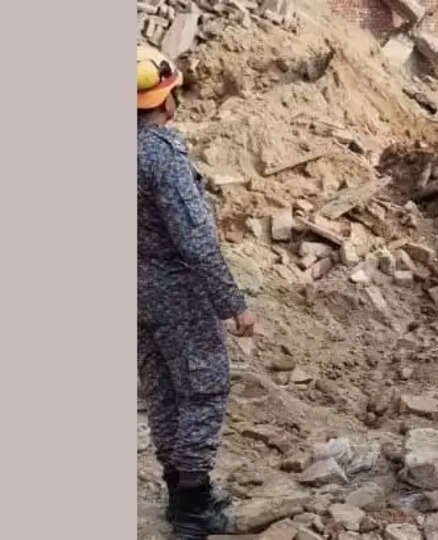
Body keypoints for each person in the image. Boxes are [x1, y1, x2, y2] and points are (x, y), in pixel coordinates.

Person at [137, 45, 256, 539]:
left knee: (162, 391)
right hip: (176, 293)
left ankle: (179, 491)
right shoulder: (161, 156)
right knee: (203, 391)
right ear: (167, 101)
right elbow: (197, 239)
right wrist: (234, 305)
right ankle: (192, 507)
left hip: (132, 293)